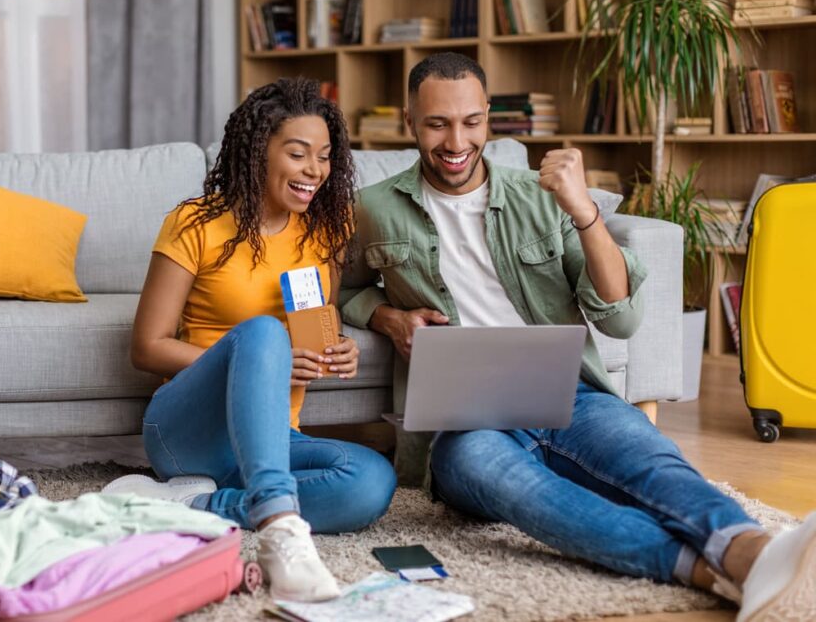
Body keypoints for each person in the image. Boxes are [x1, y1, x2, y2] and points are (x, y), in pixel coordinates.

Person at [339, 52, 815, 620]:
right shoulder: (371, 208)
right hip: (463, 425)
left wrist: (583, 209)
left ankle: (751, 550)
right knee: (529, 495)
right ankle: (707, 568)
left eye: (470, 121)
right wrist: (390, 318)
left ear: (489, 118)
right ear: (411, 123)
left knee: (652, 463)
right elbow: (345, 291)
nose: (455, 140)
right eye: (437, 123)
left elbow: (620, 319)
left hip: (572, 396)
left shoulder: (542, 197)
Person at [120, 77, 397, 602]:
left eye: (324, 156)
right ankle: (278, 527)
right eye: (298, 154)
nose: (315, 170)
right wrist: (256, 360)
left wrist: (337, 346)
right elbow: (147, 347)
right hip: (188, 433)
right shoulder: (195, 223)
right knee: (263, 333)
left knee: (370, 481)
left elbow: (316, 323)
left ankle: (199, 507)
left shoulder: (325, 229)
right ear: (257, 152)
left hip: (275, 437)